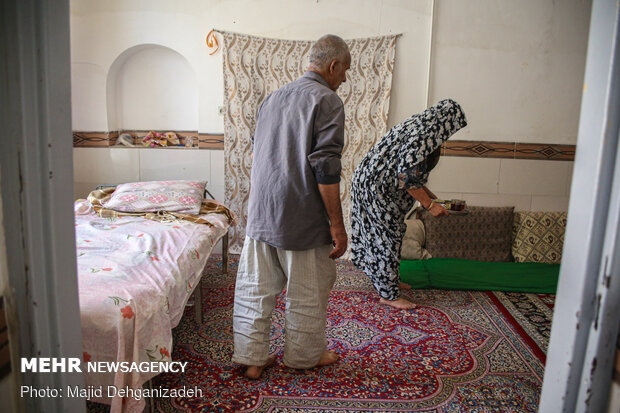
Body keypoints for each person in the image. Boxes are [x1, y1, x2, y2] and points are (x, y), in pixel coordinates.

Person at [232, 34, 351, 379]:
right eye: (345, 71)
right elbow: (326, 167)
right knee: (307, 291)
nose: (345, 78)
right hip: (302, 218)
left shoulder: (272, 98)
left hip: (262, 213)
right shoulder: (327, 100)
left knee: (255, 287)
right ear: (333, 65)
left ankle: (251, 358)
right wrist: (337, 225)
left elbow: (256, 155)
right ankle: (303, 358)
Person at [350, 99, 467, 310]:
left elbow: (415, 179)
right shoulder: (423, 136)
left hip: (372, 184)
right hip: (376, 189)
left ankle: (388, 283)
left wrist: (437, 201)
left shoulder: (421, 128)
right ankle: (389, 294)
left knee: (386, 234)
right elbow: (406, 178)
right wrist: (430, 206)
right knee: (386, 236)